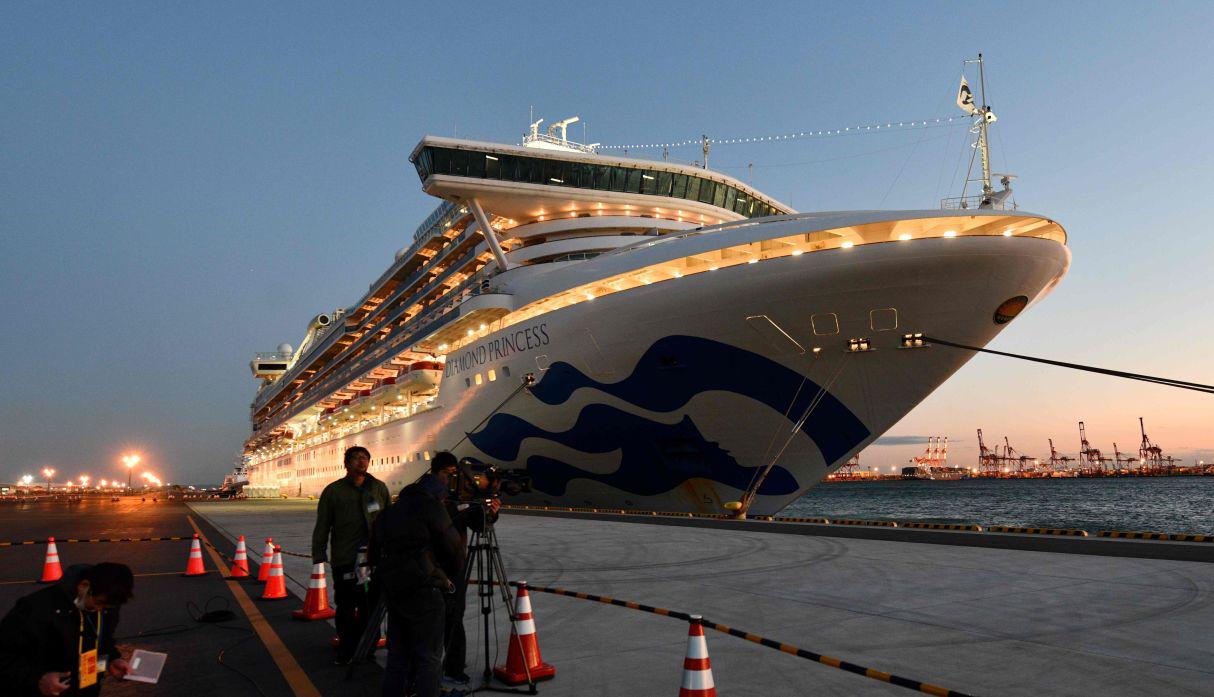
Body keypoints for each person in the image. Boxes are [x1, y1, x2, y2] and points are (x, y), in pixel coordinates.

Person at [370, 460, 464, 697]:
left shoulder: (389, 512)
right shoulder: (432, 508)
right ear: (436, 495)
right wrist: (446, 576)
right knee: (429, 657)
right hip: (425, 590)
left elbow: (373, 553)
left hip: (394, 589)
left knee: (398, 654)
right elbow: (454, 550)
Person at [0, 562, 134, 696]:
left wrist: (112, 659)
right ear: (84, 586)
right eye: (98, 603)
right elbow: (5, 656)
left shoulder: (107, 607)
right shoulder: (35, 608)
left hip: (87, 689)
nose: (100, 609)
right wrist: (37, 680)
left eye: (107, 607)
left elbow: (103, 641)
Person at [311, 445, 391, 664]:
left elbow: (389, 521)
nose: (361, 462)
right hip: (345, 557)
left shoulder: (379, 488)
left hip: (374, 558)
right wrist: (318, 552)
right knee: (346, 606)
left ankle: (368, 648)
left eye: (365, 458)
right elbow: (323, 524)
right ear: (346, 464)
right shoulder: (333, 491)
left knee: (371, 606)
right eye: (356, 458)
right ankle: (346, 650)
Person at [433, 452, 500, 686]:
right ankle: (436, 666)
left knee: (455, 615)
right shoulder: (430, 498)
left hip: (455, 564)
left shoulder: (459, 500)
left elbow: (479, 527)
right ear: (436, 473)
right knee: (440, 616)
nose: (453, 480)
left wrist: (490, 513)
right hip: (432, 567)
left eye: (455, 475)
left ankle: (454, 663)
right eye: (448, 475)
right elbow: (437, 526)